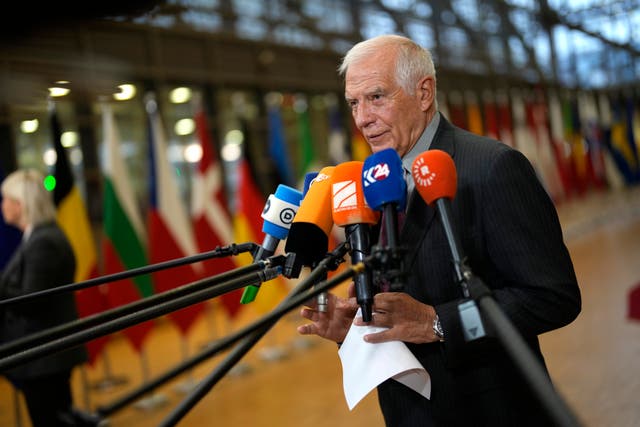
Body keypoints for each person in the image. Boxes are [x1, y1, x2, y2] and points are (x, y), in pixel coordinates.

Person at [296, 34, 581, 426]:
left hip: (492, 412)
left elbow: (553, 297)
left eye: (376, 97)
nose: (362, 118)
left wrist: (436, 321)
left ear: (424, 92)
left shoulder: (492, 168)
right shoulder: (373, 181)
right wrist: (359, 327)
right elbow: (400, 306)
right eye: (354, 103)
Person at [0, 169, 88, 427]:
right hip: (41, 357)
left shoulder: (44, 241)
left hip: (45, 358)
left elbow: (32, 301)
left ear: (20, 203)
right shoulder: (37, 236)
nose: (2, 205)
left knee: (50, 419)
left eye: (5, 198)